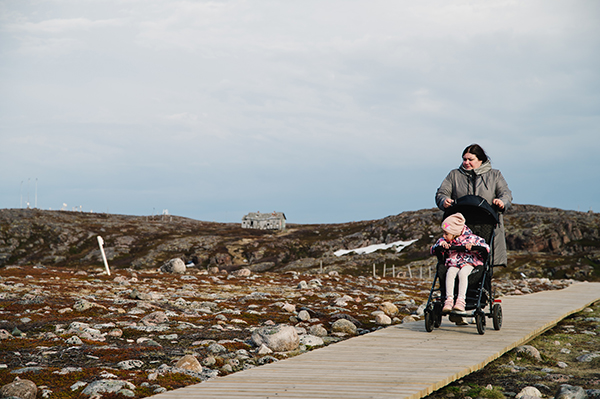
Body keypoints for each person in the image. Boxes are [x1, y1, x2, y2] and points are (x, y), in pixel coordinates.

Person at [435, 144, 512, 267]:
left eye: (470, 160)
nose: (466, 162)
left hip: (487, 224)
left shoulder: (495, 175)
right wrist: (444, 200)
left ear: (481, 160)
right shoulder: (454, 175)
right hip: (460, 228)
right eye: (464, 159)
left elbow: (506, 194)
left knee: (485, 265)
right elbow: (441, 193)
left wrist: (502, 202)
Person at [430, 213, 490, 312]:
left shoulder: (472, 238)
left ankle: (461, 300)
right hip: (454, 263)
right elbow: (433, 249)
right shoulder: (445, 240)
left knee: (463, 274)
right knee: (450, 273)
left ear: (455, 232)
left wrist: (474, 246)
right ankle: (449, 300)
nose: (444, 236)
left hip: (469, 263)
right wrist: (441, 244)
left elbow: (486, 248)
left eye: (446, 233)